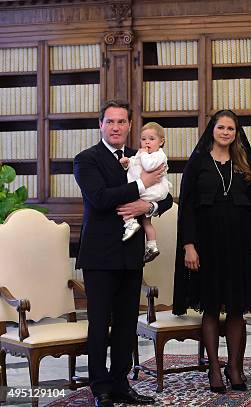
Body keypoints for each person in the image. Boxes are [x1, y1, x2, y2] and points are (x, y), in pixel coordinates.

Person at [74, 100, 173, 407]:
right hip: (100, 256)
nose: (115, 127)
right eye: (110, 122)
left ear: (130, 126)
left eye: (121, 122)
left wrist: (149, 205)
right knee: (100, 323)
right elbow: (101, 199)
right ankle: (100, 388)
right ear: (100, 125)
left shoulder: (140, 155)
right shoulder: (86, 160)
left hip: (131, 254)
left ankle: (121, 384)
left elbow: (167, 196)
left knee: (127, 324)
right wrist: (142, 184)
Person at [172, 109, 251, 393]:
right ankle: (215, 368)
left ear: (236, 133)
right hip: (206, 246)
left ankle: (235, 368)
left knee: (238, 309)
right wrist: (189, 245)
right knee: (212, 308)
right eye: (221, 128)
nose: (226, 132)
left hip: (241, 246)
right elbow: (187, 209)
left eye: (231, 129)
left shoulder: (244, 163)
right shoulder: (199, 163)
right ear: (212, 130)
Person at [119, 122, 172, 262]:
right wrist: (128, 163)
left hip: (153, 191)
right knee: (147, 222)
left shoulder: (158, 155)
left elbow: (147, 165)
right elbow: (136, 164)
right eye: (143, 139)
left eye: (151, 139)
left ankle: (130, 223)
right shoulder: (142, 153)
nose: (146, 142)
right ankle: (152, 245)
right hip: (148, 191)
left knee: (125, 197)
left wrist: (150, 206)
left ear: (161, 142)